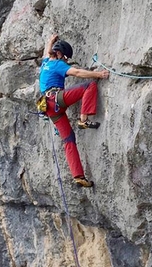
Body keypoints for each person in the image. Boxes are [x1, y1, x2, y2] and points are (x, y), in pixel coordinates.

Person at [39, 33, 109, 188]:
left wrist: (50, 41)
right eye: (65, 57)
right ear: (58, 54)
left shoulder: (45, 63)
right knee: (89, 86)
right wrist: (99, 74)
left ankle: (78, 176)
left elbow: (47, 52)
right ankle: (83, 120)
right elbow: (77, 73)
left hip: (50, 109)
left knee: (69, 140)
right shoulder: (58, 64)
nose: (66, 61)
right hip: (56, 99)